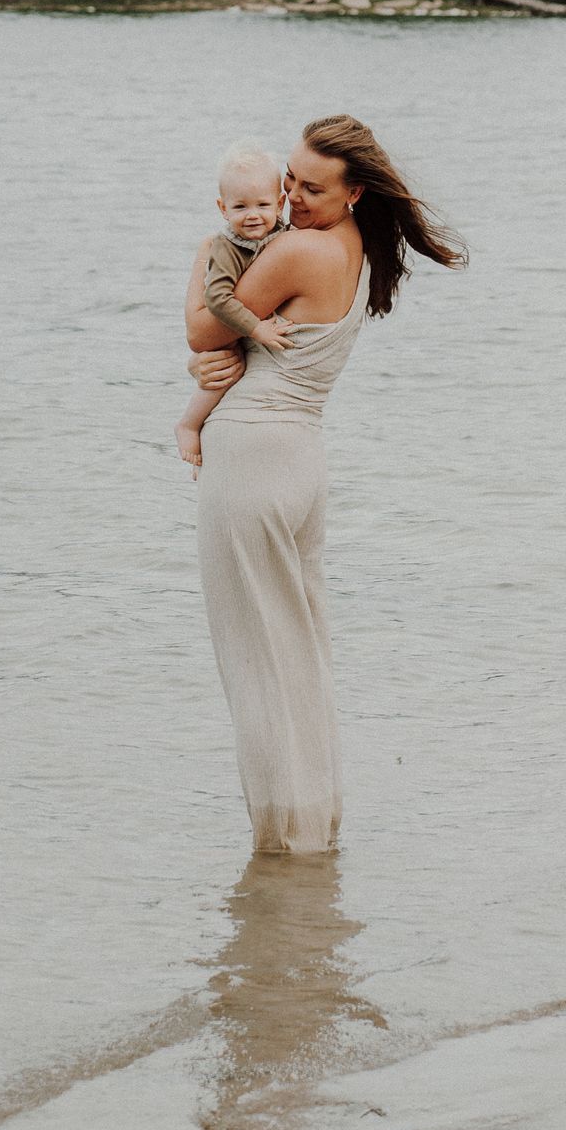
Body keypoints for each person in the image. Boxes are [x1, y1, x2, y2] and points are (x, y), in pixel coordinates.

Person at [184, 114, 464, 856]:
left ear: (354, 192)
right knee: (298, 653)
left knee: (257, 662)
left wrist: (204, 253)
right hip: (302, 460)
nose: (293, 198)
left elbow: (204, 329)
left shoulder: (299, 250)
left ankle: (283, 846)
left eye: (311, 188)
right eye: (290, 183)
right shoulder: (357, 249)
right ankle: (313, 837)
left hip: (252, 461)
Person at [173, 140, 300, 476]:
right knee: (226, 369)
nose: (253, 215)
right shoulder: (228, 246)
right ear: (223, 209)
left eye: (262, 204)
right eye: (240, 207)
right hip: (226, 330)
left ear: (280, 203)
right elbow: (217, 298)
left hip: (244, 327)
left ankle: (207, 449)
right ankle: (189, 424)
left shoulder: (285, 236)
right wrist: (257, 328)